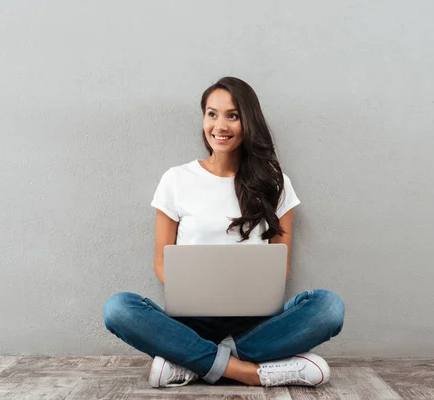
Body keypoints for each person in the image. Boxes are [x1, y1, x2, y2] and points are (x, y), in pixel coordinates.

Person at [103, 77, 345, 388]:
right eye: (212, 114)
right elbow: (162, 261)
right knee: (119, 308)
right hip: (190, 323)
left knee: (328, 307)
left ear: (249, 121)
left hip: (256, 325)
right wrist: (194, 291)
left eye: (233, 115)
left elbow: (279, 265)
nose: (220, 125)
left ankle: (192, 363)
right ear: (203, 118)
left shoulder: (275, 182)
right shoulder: (176, 179)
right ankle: (249, 372)